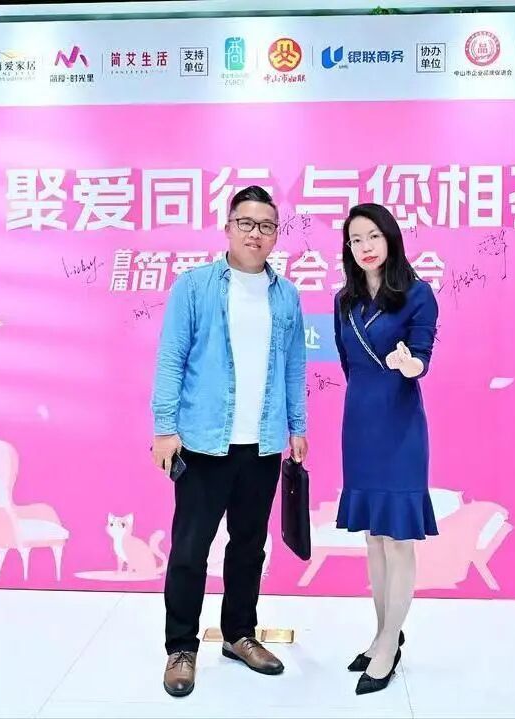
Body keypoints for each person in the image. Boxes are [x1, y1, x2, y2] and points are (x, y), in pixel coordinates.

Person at [151, 185, 309, 698]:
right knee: (190, 549)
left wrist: (297, 426)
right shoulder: (194, 286)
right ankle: (181, 647)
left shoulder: (285, 295)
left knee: (248, 546)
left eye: (266, 226)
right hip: (202, 444)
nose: (255, 234)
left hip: (262, 445)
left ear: (276, 235)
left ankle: (239, 634)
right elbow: (171, 358)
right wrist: (164, 428)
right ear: (228, 227)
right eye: (246, 223)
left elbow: (294, 366)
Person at [333, 203, 439, 696]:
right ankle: (383, 636)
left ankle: (389, 642)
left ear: (391, 238)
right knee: (374, 539)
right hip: (359, 425)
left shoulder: (418, 295)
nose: (366, 247)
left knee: (397, 539)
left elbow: (422, 359)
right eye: (356, 240)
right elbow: (348, 365)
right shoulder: (344, 301)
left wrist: (407, 364)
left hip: (400, 427)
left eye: (373, 236)